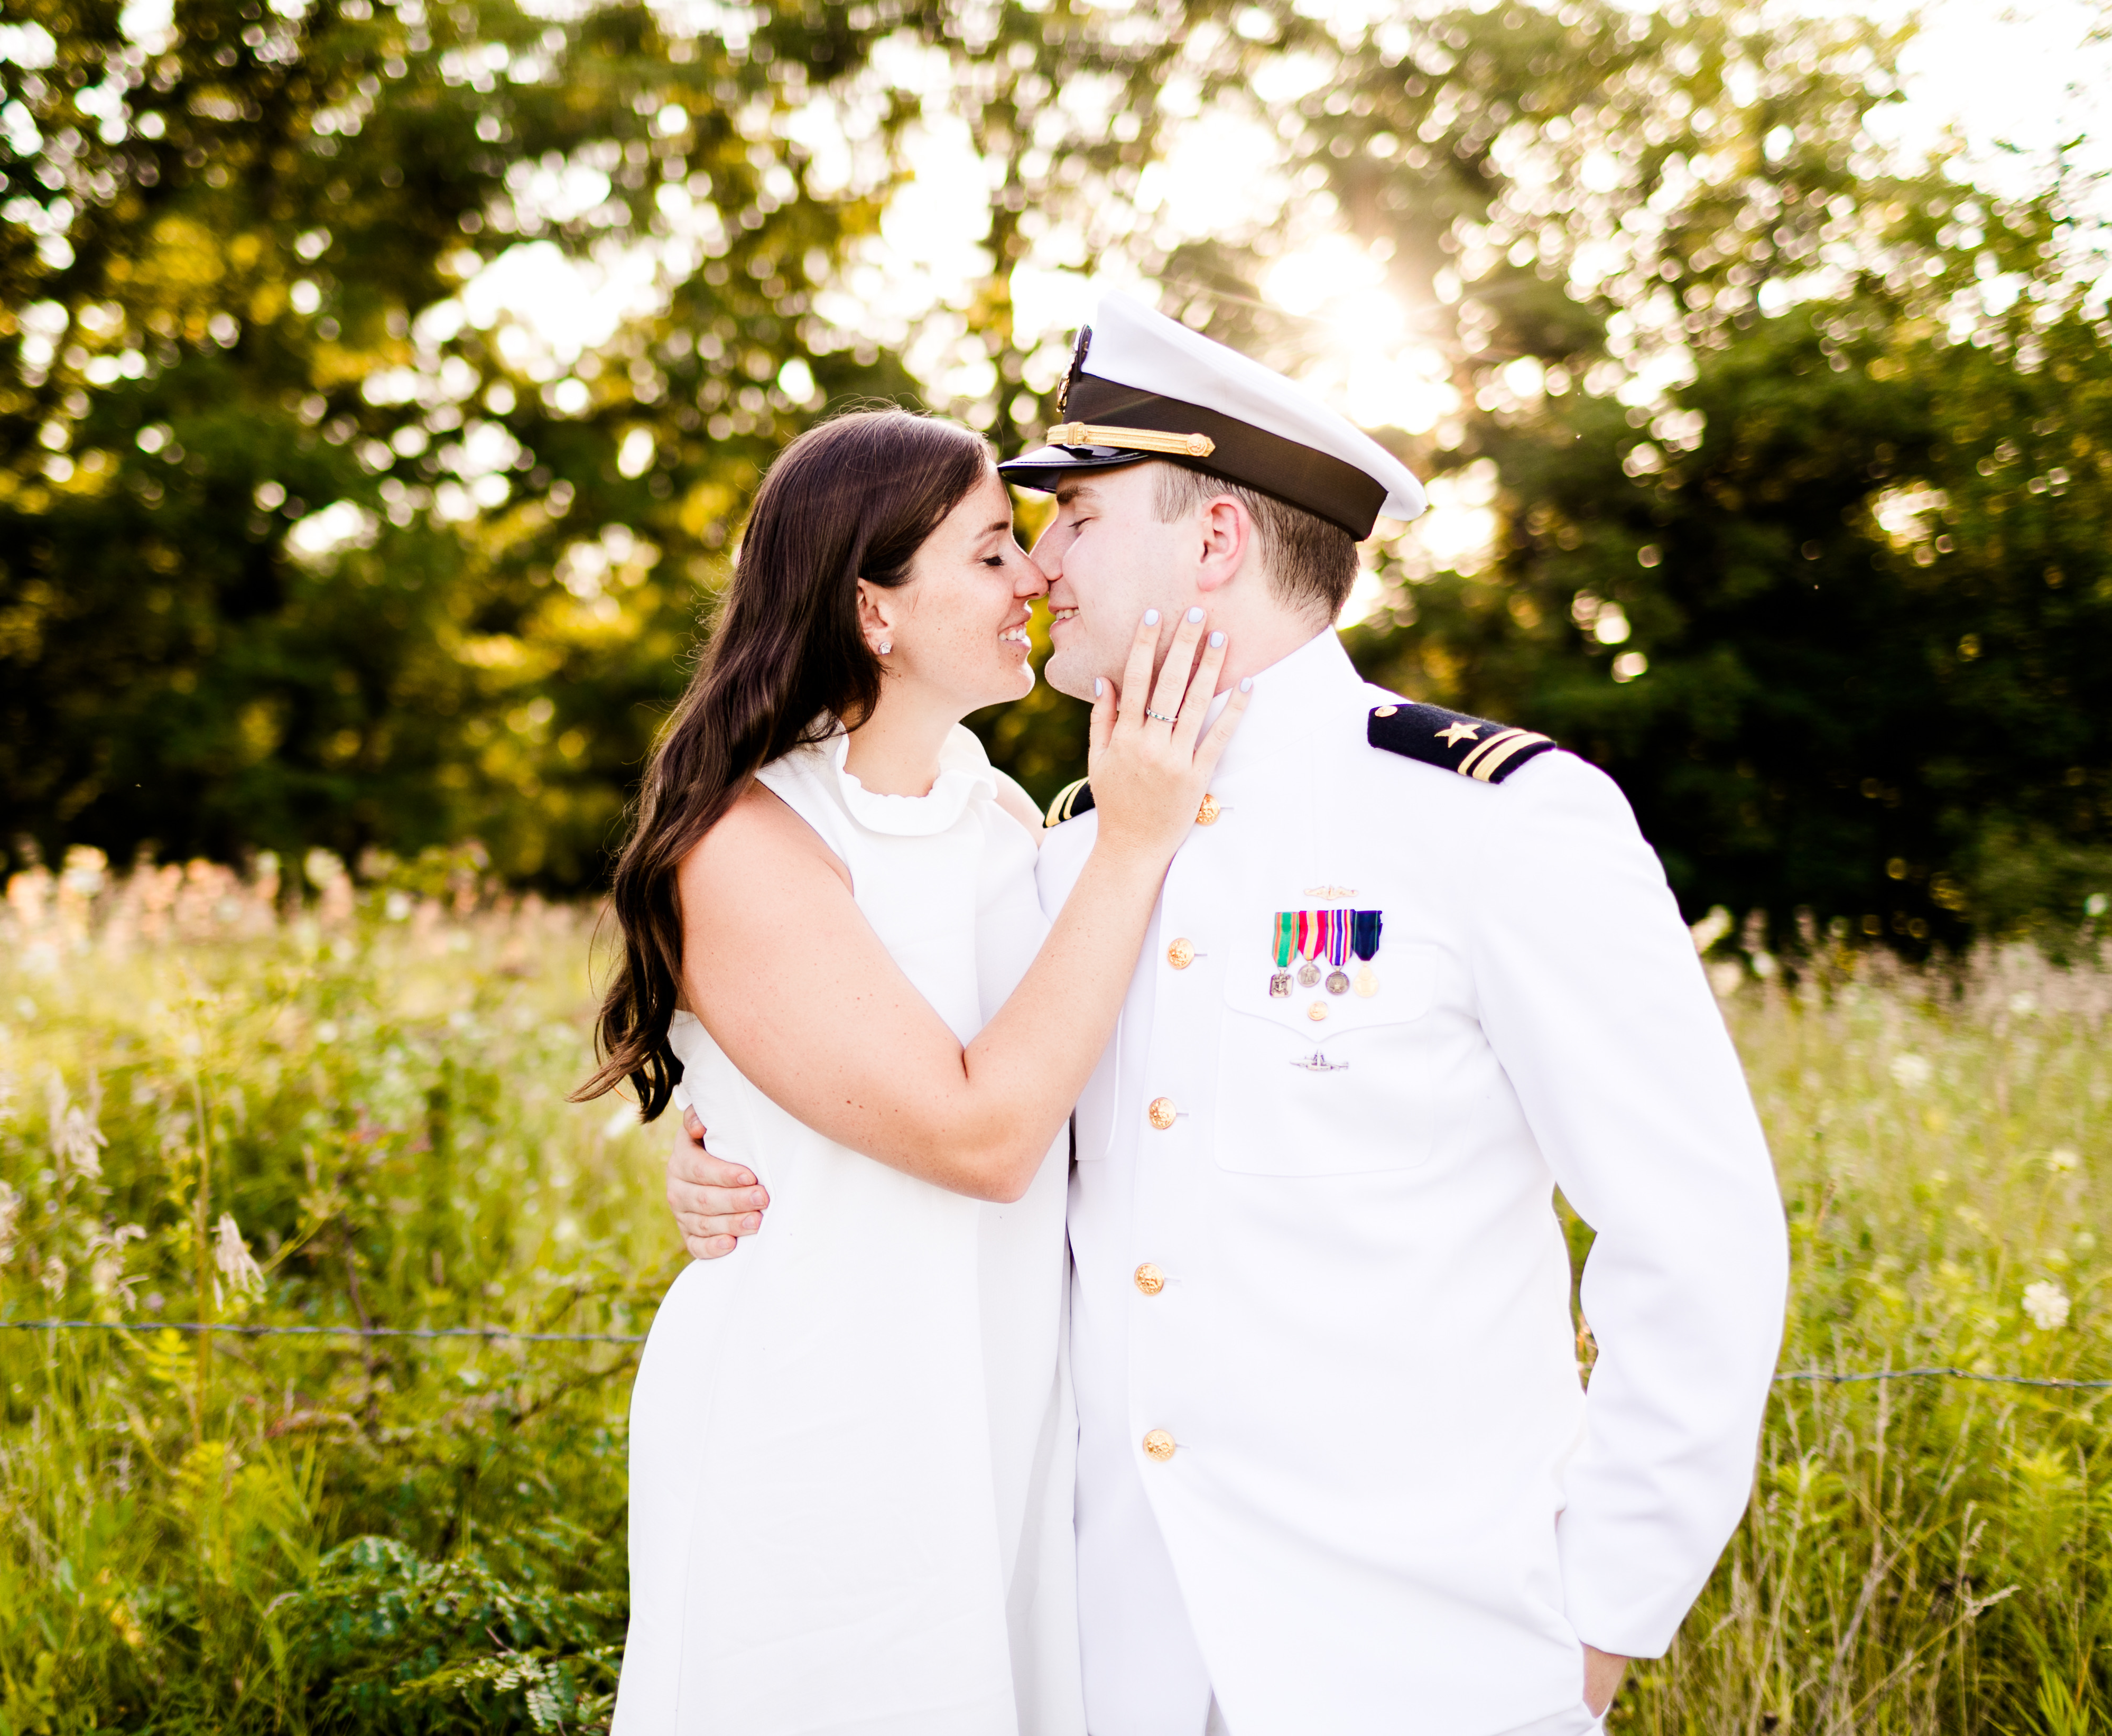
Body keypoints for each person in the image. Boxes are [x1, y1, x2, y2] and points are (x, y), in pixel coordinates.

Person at [663, 291, 1790, 1735]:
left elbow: (1696, 1238)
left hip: (1419, 1655)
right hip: (1101, 1653)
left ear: (1214, 541)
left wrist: (1600, 1619)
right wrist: (732, 1160)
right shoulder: (1055, 857)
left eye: (1076, 514)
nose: (1042, 559)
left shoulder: (1495, 821)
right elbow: (923, 1100)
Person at [579, 406, 1245, 1735]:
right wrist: (1131, 842)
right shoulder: (751, 843)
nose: (1037, 576)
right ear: (874, 609)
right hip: (831, 1402)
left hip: (1003, 1388)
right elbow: (981, 1136)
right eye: (993, 550)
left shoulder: (994, 807)